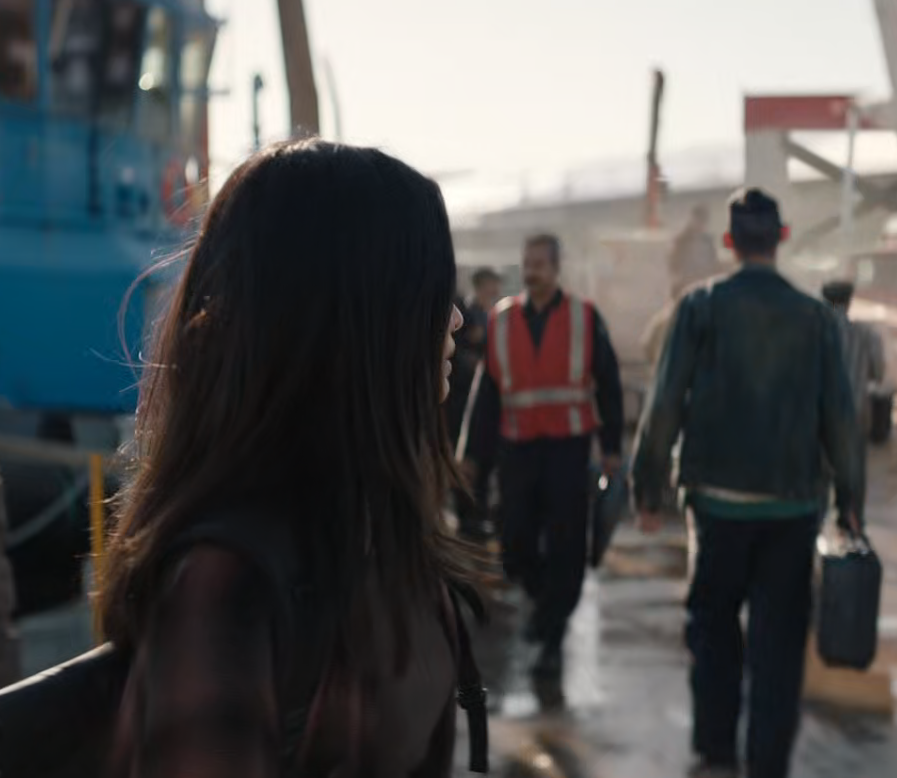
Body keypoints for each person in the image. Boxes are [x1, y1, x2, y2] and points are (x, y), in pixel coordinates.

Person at [97, 139, 481, 776]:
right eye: (429, 289)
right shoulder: (228, 581)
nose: (457, 319)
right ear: (354, 314)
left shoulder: (380, 531)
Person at [633, 188, 866, 778]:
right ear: (782, 238)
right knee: (779, 643)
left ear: (729, 242)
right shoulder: (815, 317)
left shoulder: (699, 306)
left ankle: (716, 751)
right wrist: (850, 499)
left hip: (716, 504)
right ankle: (767, 762)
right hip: (792, 506)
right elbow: (841, 416)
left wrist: (647, 486)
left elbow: (664, 403)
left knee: (712, 628)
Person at [481, 233, 625, 677]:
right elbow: (487, 394)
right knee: (515, 543)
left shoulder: (584, 317)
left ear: (556, 268)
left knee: (567, 545)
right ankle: (545, 608)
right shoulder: (501, 319)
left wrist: (612, 446)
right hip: (518, 447)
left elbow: (609, 383)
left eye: (540, 264)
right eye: (527, 263)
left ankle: (551, 633)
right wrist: (472, 455)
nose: (531, 271)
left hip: (568, 447)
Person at [450, 267, 503, 541]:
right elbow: (458, 353)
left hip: (486, 401)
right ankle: (468, 518)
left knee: (484, 460)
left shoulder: (490, 315)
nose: (496, 290)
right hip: (461, 402)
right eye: (492, 284)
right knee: (465, 461)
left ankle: (479, 515)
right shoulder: (466, 314)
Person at [821, 280, 887, 438]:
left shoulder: (813, 332)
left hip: (822, 415)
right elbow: (879, 374)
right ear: (849, 302)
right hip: (856, 413)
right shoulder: (867, 334)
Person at [671, 205, 722, 297]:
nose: (700, 224)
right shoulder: (682, 240)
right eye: (698, 220)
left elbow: (714, 262)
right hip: (686, 283)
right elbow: (674, 264)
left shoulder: (708, 240)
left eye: (703, 221)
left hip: (704, 282)